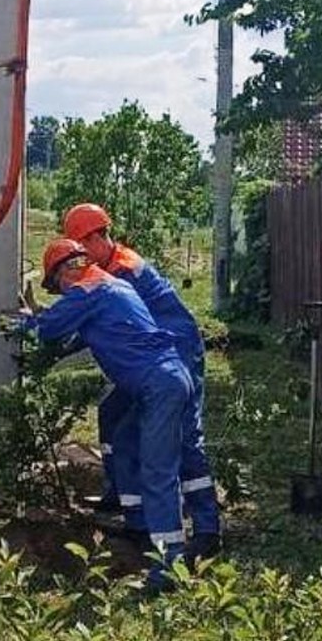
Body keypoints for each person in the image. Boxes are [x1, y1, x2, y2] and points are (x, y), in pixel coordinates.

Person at [1, 239, 192, 589]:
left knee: (157, 472)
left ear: (64, 271)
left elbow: (47, 330)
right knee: (125, 440)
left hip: (158, 385)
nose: (60, 292)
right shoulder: (108, 284)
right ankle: (138, 523)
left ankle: (169, 568)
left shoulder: (88, 289)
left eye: (56, 285)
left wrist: (20, 323)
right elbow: (78, 334)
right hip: (162, 380)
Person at [62, 203, 221, 562]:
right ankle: (131, 510)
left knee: (185, 439)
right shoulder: (109, 267)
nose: (79, 259)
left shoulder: (122, 269)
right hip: (157, 356)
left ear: (98, 237)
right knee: (116, 419)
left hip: (176, 352)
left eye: (81, 248)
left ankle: (206, 529)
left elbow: (103, 318)